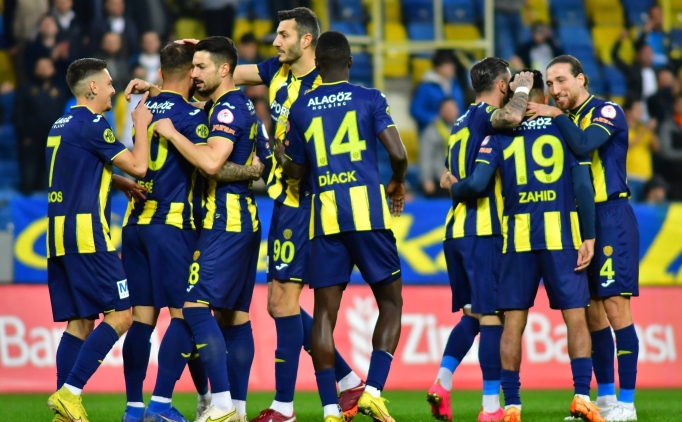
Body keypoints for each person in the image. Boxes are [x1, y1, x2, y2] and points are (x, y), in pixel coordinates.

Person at [444, 69, 601, 422]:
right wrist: (588, 236)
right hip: (562, 236)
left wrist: (452, 186)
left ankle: (512, 405)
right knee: (576, 317)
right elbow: (583, 186)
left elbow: (478, 182)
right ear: (544, 98)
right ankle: (581, 396)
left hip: (516, 239)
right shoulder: (565, 129)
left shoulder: (499, 134)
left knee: (512, 322)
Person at [277, 30, 407, 422]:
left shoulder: (301, 107)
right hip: (368, 216)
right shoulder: (370, 98)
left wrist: (280, 153)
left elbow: (296, 172)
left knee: (323, 315)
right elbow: (398, 153)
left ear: (317, 65)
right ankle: (373, 392)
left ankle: (331, 409)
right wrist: (397, 181)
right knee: (391, 302)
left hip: (325, 219)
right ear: (350, 62)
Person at [152, 36, 261, 422]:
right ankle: (239, 410)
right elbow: (260, 163)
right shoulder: (234, 103)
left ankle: (223, 404)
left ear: (224, 69)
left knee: (194, 308)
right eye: (192, 67)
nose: (194, 73)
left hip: (224, 221)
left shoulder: (227, 109)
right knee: (234, 317)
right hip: (243, 220)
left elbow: (213, 163)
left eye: (201, 67)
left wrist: (172, 133)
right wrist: (158, 90)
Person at [528, 55, 641, 421]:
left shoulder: (606, 112)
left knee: (615, 308)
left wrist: (554, 114)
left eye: (561, 80)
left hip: (610, 217)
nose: (555, 89)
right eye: (550, 83)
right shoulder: (563, 120)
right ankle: (604, 400)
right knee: (592, 312)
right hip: (579, 223)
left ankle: (627, 404)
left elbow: (583, 144)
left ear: (582, 79)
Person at [426, 58, 533, 422]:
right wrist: (523, 87)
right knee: (492, 318)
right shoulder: (487, 117)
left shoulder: (459, 122)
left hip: (455, 230)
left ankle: (442, 383)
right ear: (502, 85)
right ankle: (490, 408)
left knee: (472, 316)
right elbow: (512, 117)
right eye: (509, 84)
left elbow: (447, 176)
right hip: (482, 229)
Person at [46, 58, 152, 422]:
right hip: (87, 234)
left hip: (58, 235)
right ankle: (70, 392)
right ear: (92, 87)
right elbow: (139, 166)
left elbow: (76, 169)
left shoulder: (60, 124)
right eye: (108, 84)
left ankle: (65, 415)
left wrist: (115, 181)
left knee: (79, 322)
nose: (112, 90)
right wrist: (140, 125)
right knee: (122, 315)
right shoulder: (93, 124)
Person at [118, 42, 219, 422]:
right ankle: (161, 405)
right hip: (173, 226)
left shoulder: (141, 108)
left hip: (134, 224)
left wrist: (155, 90)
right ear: (193, 74)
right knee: (186, 315)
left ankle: (134, 408)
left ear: (159, 73)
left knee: (142, 319)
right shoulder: (195, 116)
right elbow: (208, 162)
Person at [13, 57, 69, 194]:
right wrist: (24, 137)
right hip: (30, 142)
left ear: (53, 70)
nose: (43, 70)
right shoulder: (25, 90)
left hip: (53, 142)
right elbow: (18, 115)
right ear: (34, 70)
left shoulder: (60, 92)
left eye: (47, 66)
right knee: (28, 182)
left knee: (47, 183)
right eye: (40, 67)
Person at [410, 49, 465, 133]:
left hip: (453, 130)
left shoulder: (455, 85)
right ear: (438, 67)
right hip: (431, 132)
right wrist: (435, 119)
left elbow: (460, 107)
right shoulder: (426, 87)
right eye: (449, 65)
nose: (453, 67)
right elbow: (416, 110)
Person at [419, 97, 458, 196]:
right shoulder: (431, 131)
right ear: (441, 111)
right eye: (447, 108)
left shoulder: (461, 128)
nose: (450, 111)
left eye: (452, 108)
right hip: (438, 180)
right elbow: (426, 156)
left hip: (458, 178)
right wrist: (427, 179)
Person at [623, 98, 659, 202]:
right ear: (627, 112)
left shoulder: (643, 128)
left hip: (646, 178)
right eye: (637, 109)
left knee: (645, 209)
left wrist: (652, 131)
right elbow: (628, 144)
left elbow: (656, 148)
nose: (640, 112)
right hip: (629, 177)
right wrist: (646, 129)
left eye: (641, 110)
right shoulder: (622, 128)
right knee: (631, 208)